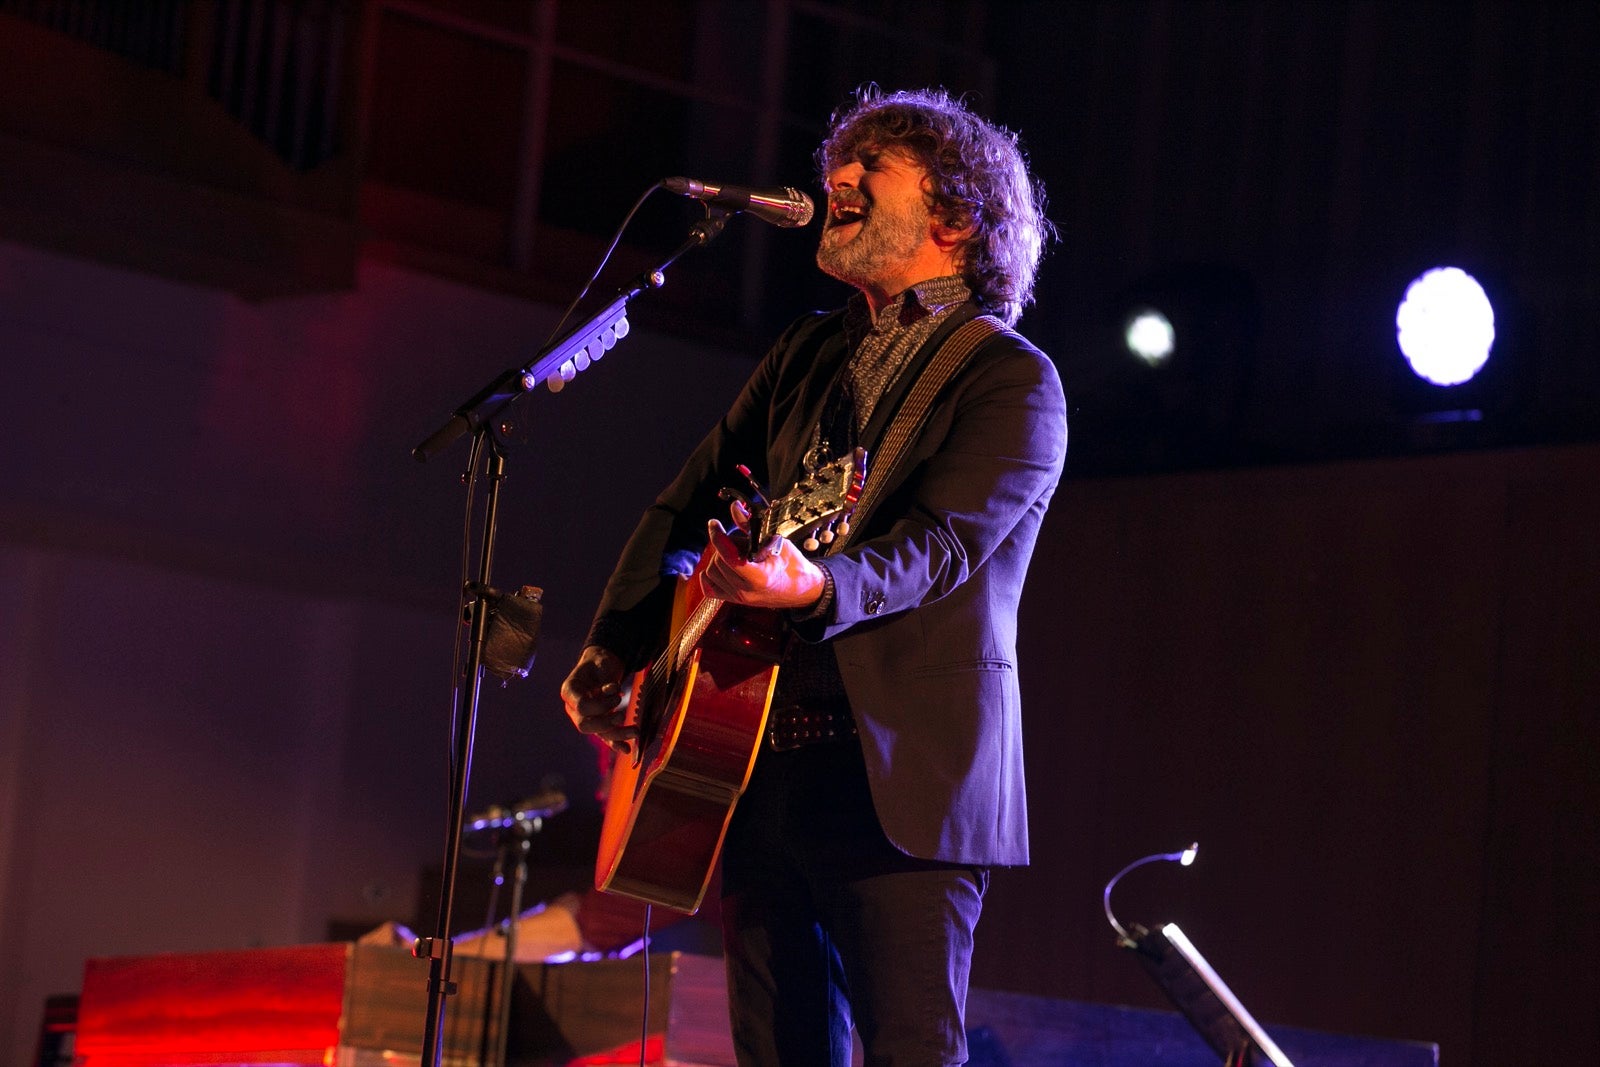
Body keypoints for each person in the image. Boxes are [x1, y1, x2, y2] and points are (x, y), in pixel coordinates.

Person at [560, 86, 1066, 1066]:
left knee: (912, 1050)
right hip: (747, 764)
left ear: (957, 215)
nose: (840, 174)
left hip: (902, 781)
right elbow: (682, 503)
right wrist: (616, 642)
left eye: (875, 162)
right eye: (842, 156)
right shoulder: (806, 351)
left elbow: (943, 546)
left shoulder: (1009, 377)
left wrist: (816, 586)